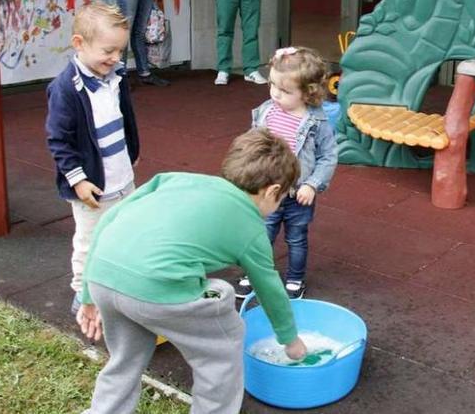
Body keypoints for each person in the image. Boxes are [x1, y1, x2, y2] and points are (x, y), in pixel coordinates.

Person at [77, 128, 308, 414]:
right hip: (156, 287)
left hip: (104, 277)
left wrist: (87, 294)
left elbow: (109, 219)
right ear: (273, 191)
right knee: (222, 347)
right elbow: (270, 289)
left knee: (126, 357)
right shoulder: (251, 228)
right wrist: (290, 340)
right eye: (282, 198)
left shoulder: (174, 179)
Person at [45, 1, 139, 318]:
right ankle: (83, 295)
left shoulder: (116, 75)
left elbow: (124, 118)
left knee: (125, 234)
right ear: (79, 44)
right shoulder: (65, 89)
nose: (115, 58)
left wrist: (131, 153)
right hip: (92, 187)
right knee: (89, 242)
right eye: (108, 51)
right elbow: (59, 140)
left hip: (122, 177)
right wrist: (78, 180)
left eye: (119, 51)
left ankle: (116, 286)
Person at [242, 47, 338, 300]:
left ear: (309, 93)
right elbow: (253, 144)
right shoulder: (266, 111)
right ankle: (254, 274)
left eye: (285, 91)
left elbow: (328, 156)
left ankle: (295, 279)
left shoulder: (316, 123)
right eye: (273, 85)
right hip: (267, 192)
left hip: (298, 194)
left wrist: (313, 185)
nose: (275, 94)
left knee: (296, 240)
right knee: (261, 236)